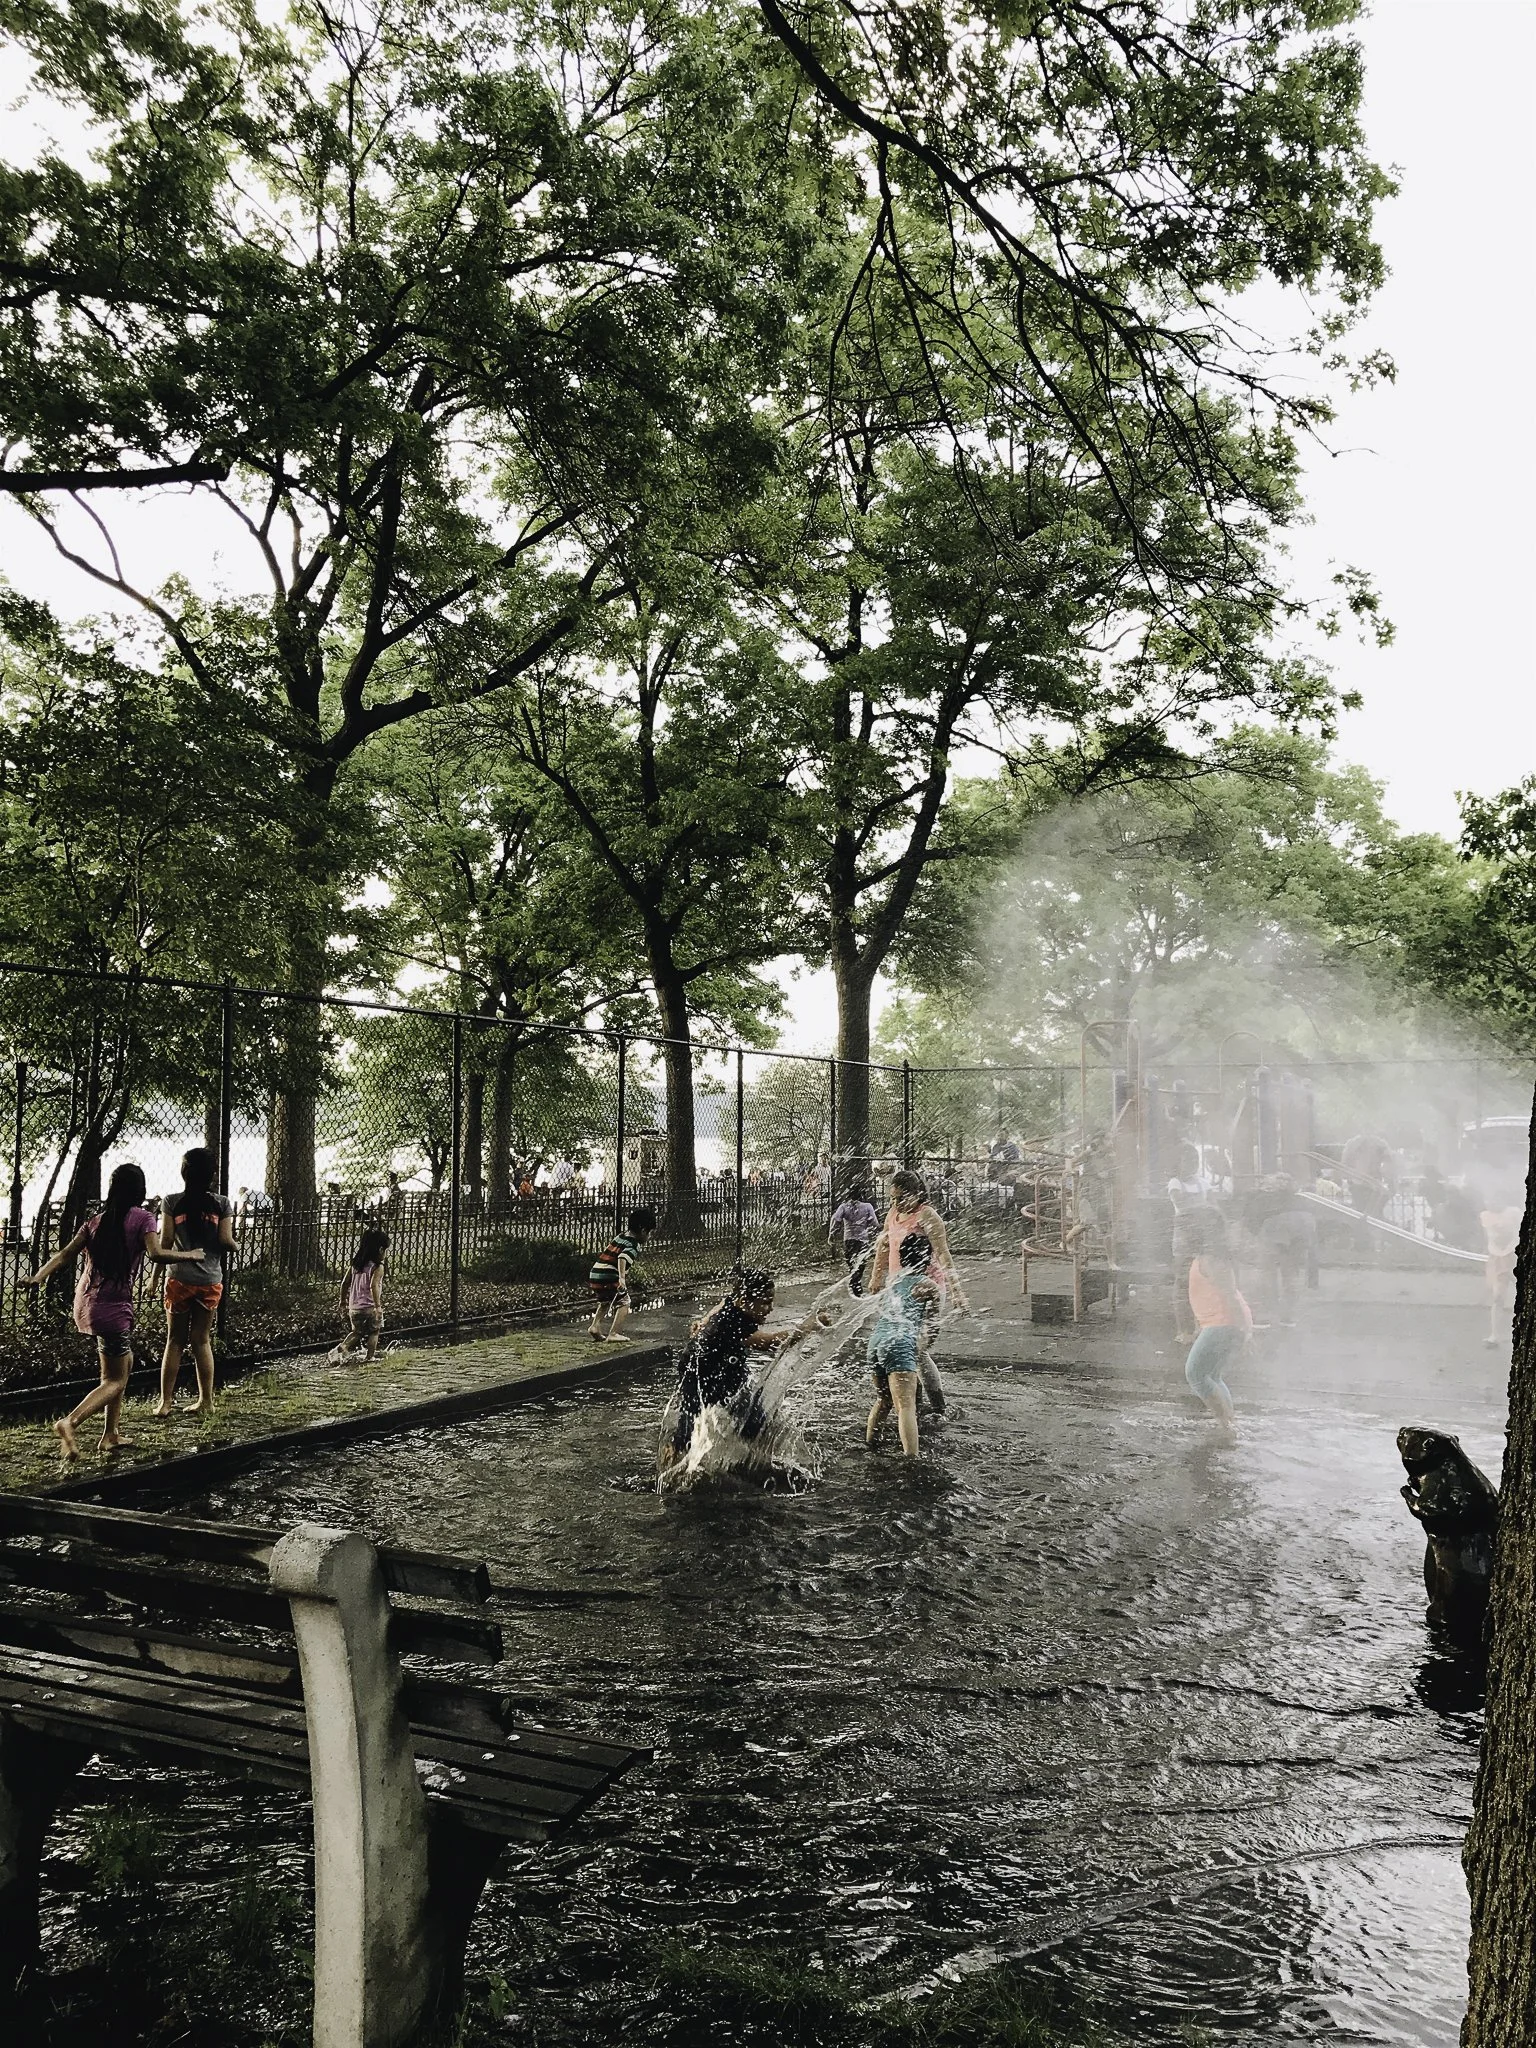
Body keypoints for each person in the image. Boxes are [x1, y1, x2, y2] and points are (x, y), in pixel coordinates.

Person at [25, 1162, 197, 1458]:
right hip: (113, 1308)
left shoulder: (96, 1221)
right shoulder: (143, 1218)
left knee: (123, 1365)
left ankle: (110, 1434)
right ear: (139, 1190)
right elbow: (156, 1253)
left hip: (87, 1304)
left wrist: (37, 1277)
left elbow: (65, 1254)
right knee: (114, 1380)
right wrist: (189, 1255)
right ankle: (70, 1422)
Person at [665, 1269, 825, 1459]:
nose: (771, 1308)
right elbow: (770, 1343)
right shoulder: (730, 1322)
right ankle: (673, 1460)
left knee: (754, 1419)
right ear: (743, 1302)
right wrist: (808, 1326)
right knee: (689, 1426)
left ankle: (755, 1457)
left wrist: (704, 1319)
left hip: (725, 1365)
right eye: (765, 1302)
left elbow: (722, 1303)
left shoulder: (735, 1302)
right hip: (699, 1373)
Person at [868, 1169, 967, 1410]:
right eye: (892, 1198)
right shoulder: (893, 1214)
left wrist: (957, 1291)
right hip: (898, 1289)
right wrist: (876, 1277)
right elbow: (883, 1245)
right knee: (901, 1346)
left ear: (918, 1194)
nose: (896, 1203)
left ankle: (938, 1406)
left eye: (902, 1198)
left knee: (917, 1349)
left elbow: (943, 1253)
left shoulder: (928, 1216)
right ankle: (916, 1404)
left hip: (927, 1289)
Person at [155, 1146, 236, 1415]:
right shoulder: (222, 1204)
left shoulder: (170, 1202)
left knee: (174, 1340)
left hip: (179, 1279)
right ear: (212, 1175)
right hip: (210, 1281)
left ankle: (165, 1402)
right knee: (202, 1340)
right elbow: (225, 1241)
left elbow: (165, 1243)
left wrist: (155, 1278)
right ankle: (207, 1402)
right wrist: (235, 1245)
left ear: (184, 1172)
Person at [866, 1230, 943, 1458]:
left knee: (884, 1399)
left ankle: (871, 1444)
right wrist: (919, 1348)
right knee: (906, 1406)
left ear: (901, 1257)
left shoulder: (893, 1282)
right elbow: (933, 1327)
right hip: (900, 1342)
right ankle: (912, 1459)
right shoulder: (928, 1286)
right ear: (928, 1259)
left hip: (876, 1342)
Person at [1183, 1211, 1251, 1433]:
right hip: (1221, 1323)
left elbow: (1229, 1294)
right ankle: (1229, 1422)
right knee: (1212, 1375)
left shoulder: (1212, 1259)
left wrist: (1242, 1330)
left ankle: (1227, 1426)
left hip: (1224, 1322)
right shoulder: (1207, 1256)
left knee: (1195, 1373)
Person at [587, 1206, 656, 1341]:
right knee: (624, 1302)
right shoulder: (634, 1244)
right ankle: (614, 1333)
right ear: (643, 1230)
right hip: (609, 1275)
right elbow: (622, 1257)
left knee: (605, 1301)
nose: (650, 1237)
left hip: (595, 1273)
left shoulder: (621, 1236)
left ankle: (595, 1326)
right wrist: (622, 1278)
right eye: (650, 1233)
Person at [331, 1225, 389, 1363]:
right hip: (370, 1306)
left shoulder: (356, 1264)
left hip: (354, 1308)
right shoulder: (378, 1266)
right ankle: (370, 1357)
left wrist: (343, 1301)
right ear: (381, 1249)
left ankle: (343, 1346)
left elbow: (345, 1283)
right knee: (374, 1331)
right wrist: (378, 1306)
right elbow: (373, 1286)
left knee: (357, 1332)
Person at [1481, 1199, 1522, 1349]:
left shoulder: (1514, 1213)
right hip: (1498, 1260)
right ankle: (1494, 1335)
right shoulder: (1485, 1215)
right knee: (1498, 1297)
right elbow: (1488, 1237)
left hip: (1516, 1256)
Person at [827, 1183, 879, 1295]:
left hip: (849, 1241)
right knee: (860, 1266)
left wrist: (831, 1234)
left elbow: (835, 1219)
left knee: (852, 1265)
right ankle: (856, 1288)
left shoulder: (844, 1207)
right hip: (863, 1241)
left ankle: (855, 1287)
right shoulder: (867, 1207)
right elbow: (875, 1223)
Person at [1341, 1132, 1394, 1219]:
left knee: (1363, 1210)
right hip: (1369, 1182)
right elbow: (1387, 1163)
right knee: (1370, 1212)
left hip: (1364, 1182)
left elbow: (1345, 1162)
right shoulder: (1379, 1143)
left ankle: (1367, 1225)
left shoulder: (1353, 1143)